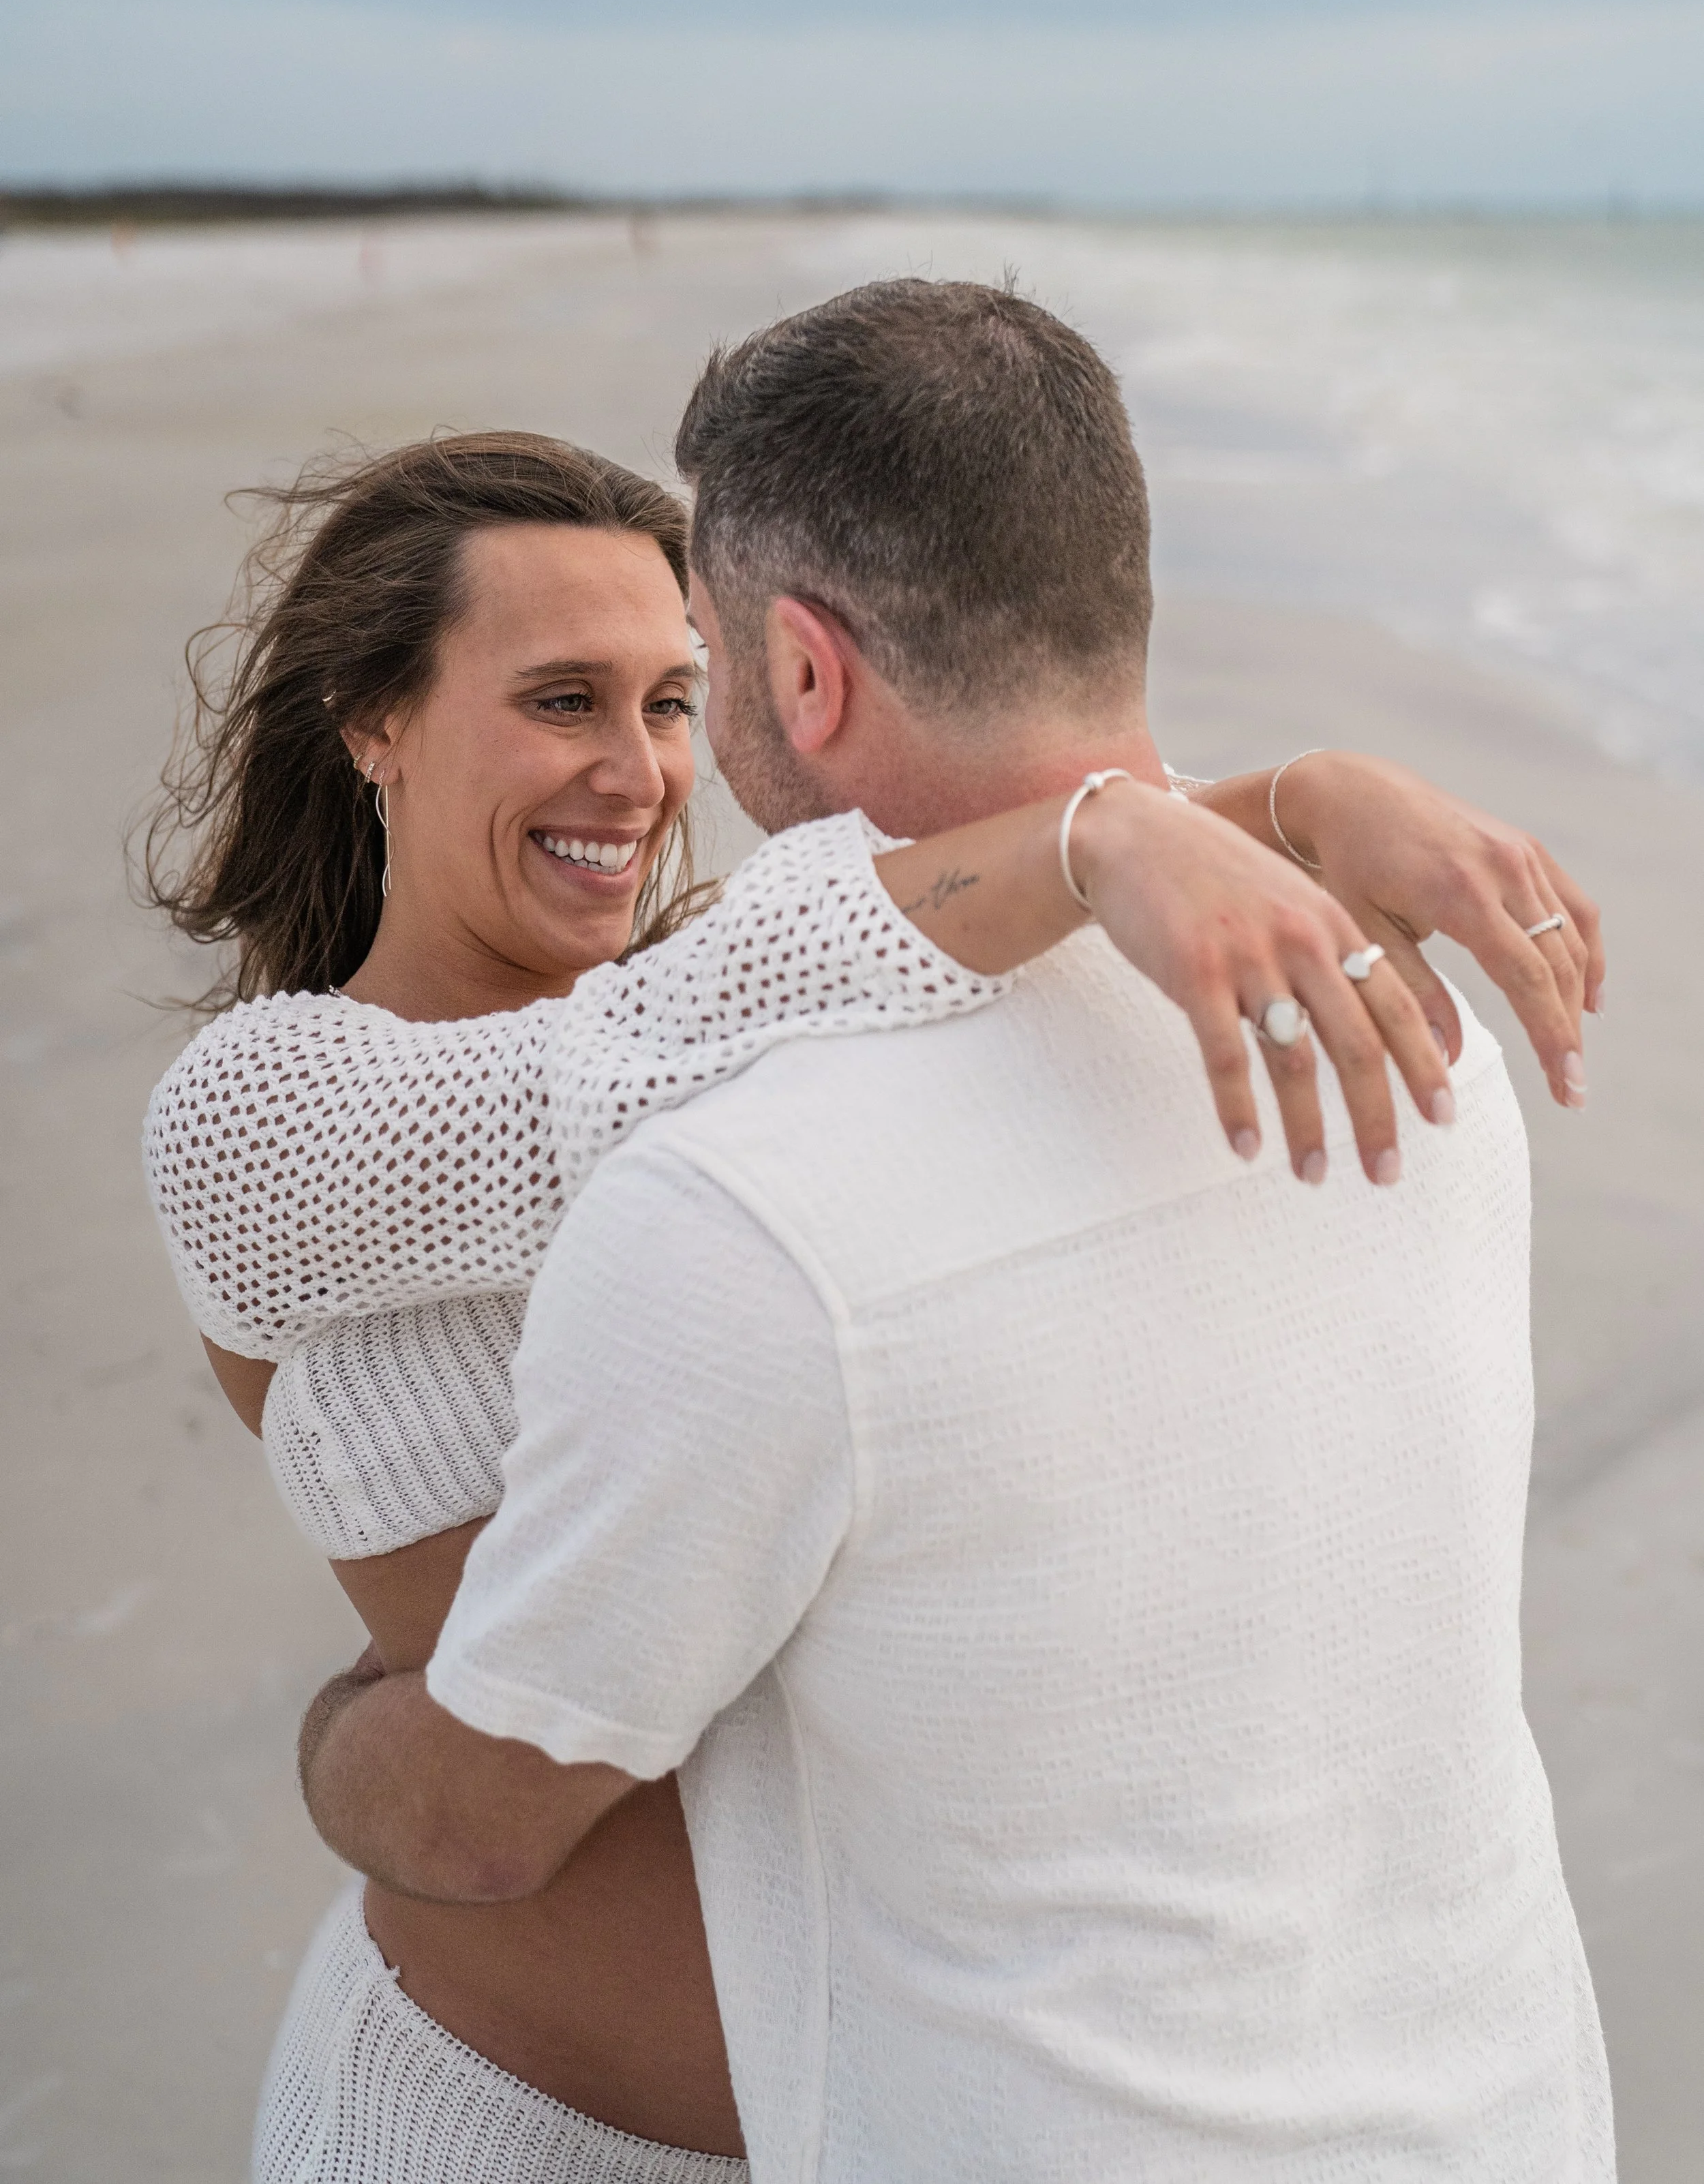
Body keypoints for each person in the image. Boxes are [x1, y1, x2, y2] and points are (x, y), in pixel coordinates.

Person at [288, 285, 1614, 2183]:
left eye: (703, 665)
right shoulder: (1410, 1037)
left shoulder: (748, 1206)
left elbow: (486, 1817)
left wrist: (343, 1726)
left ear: (803, 676)